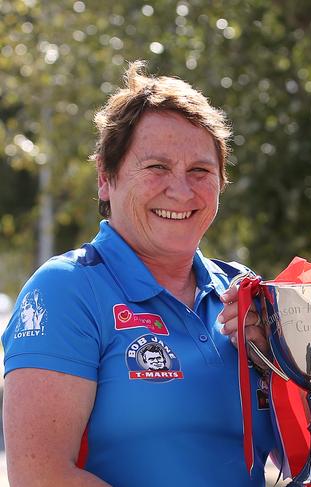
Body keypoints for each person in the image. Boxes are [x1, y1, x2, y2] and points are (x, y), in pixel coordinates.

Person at [2, 61, 276, 486]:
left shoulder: (242, 291)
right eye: (157, 168)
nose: (181, 191)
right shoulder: (65, 289)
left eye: (200, 171)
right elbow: (40, 476)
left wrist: (277, 361)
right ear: (105, 180)